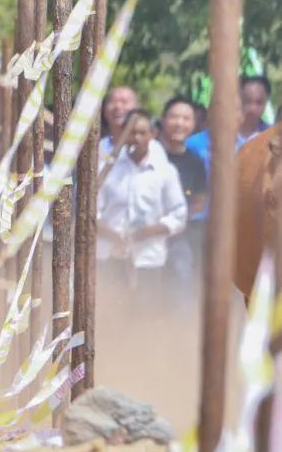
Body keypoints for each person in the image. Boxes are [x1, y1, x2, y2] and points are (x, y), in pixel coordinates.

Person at [97, 109, 187, 312]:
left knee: (145, 317)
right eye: (132, 133)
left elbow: (179, 214)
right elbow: (91, 211)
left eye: (142, 133)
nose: (137, 138)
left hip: (148, 258)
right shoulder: (107, 169)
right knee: (111, 315)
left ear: (152, 135)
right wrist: (113, 235)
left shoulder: (165, 171)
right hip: (110, 257)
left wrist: (150, 231)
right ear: (123, 135)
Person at [157, 96, 206, 286]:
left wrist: (176, 221)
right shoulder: (150, 154)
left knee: (182, 279)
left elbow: (199, 199)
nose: (180, 123)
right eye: (174, 117)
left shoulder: (195, 161)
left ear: (194, 124)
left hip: (179, 235)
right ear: (163, 120)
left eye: (186, 119)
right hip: (142, 234)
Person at [186, 75, 271, 171]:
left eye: (259, 102)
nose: (252, 108)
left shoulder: (274, 137)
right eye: (247, 101)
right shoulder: (196, 143)